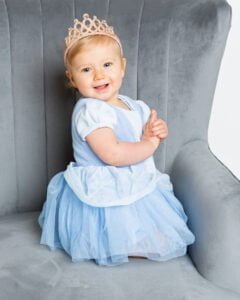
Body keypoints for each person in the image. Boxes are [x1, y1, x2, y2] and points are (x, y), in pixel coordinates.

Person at [38, 13, 195, 267]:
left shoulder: (135, 106)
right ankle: (115, 243)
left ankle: (134, 237)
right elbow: (113, 154)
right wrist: (151, 145)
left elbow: (139, 135)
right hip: (103, 189)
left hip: (134, 182)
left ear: (122, 66)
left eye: (107, 65)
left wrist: (155, 131)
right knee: (114, 220)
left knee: (156, 227)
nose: (99, 76)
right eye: (86, 69)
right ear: (72, 79)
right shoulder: (91, 111)